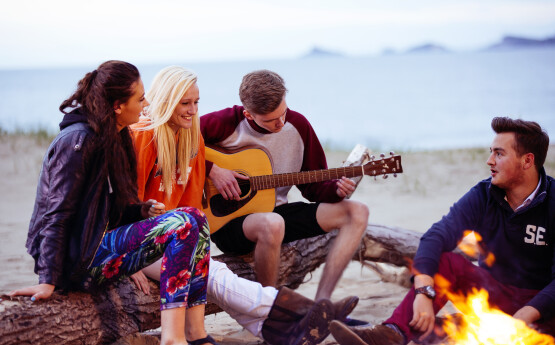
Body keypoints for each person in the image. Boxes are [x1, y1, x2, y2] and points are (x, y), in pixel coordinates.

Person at [129, 66, 358, 345]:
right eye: (185, 103)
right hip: (139, 242)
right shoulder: (143, 137)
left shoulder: (189, 138)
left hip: (173, 237)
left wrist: (335, 189)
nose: (193, 111)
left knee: (211, 270)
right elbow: (128, 206)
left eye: (196, 103)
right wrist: (134, 263)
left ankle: (278, 331)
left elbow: (191, 211)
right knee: (214, 274)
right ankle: (300, 311)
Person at [8, 61, 214, 345]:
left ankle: (196, 334)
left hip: (99, 248)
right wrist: (48, 279)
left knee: (197, 220)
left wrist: (141, 210)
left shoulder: (116, 135)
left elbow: (111, 207)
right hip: (79, 261)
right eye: (140, 99)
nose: (146, 104)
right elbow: (56, 215)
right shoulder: (78, 141)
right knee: (184, 222)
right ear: (118, 105)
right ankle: (172, 339)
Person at [330, 117, 555, 345]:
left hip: (542, 307)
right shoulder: (484, 194)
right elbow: (437, 236)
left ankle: (452, 327)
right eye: (490, 152)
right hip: (493, 296)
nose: (489, 161)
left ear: (527, 161)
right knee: (447, 262)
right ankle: (392, 333)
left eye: (499, 153)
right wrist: (423, 291)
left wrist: (525, 315)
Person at [200, 69, 370, 301]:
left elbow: (314, 186)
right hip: (228, 222)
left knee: (357, 211)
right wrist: (213, 169)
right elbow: (173, 144)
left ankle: (323, 302)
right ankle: (268, 308)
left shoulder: (298, 125)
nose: (281, 123)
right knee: (272, 223)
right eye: (270, 120)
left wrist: (335, 190)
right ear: (249, 115)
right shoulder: (225, 122)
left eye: (283, 113)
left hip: (276, 212)